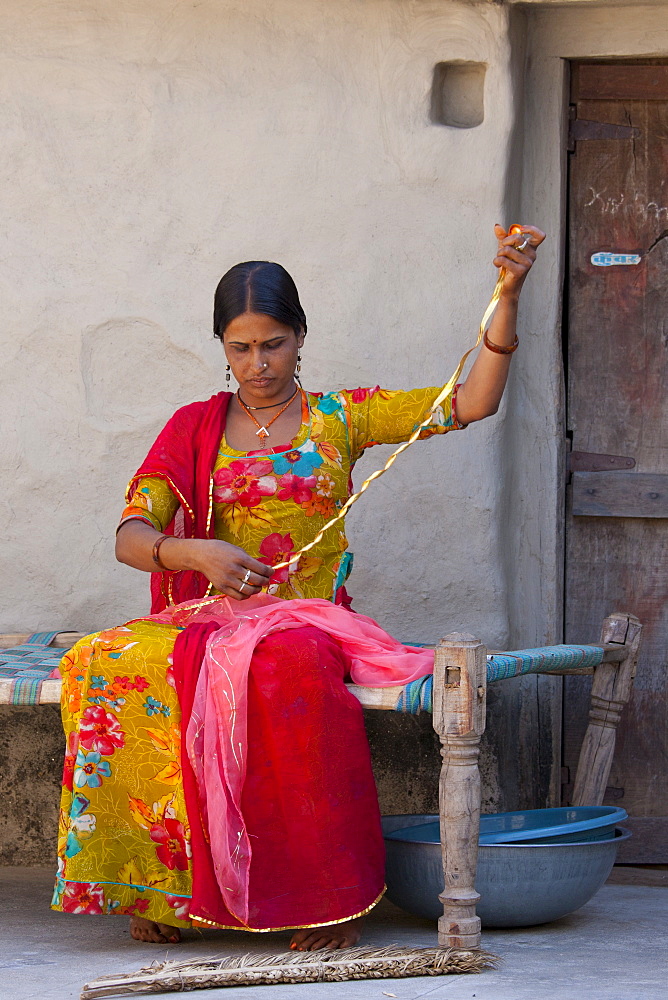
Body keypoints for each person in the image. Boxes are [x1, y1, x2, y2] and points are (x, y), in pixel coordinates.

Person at [52, 224, 544, 949]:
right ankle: (165, 891)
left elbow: (471, 401)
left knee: (287, 670)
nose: (258, 364)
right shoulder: (193, 428)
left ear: (301, 336)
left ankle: (321, 898)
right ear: (222, 348)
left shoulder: (338, 420)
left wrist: (508, 294)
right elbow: (130, 539)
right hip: (205, 616)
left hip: (304, 623)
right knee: (107, 662)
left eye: (273, 343)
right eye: (241, 348)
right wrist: (197, 553)